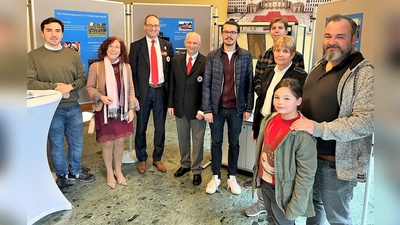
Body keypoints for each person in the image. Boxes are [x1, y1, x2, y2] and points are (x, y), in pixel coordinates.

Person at [290, 14, 374, 225]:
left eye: (340, 36)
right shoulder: (319, 65)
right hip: (308, 160)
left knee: (338, 219)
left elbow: (366, 121)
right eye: (328, 36)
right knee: (313, 212)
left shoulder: (363, 74)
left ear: (354, 38)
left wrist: (319, 128)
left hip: (335, 166)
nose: (332, 41)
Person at [245, 17, 306, 217]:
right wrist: (256, 127)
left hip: (283, 128)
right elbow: (262, 99)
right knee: (261, 163)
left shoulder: (299, 76)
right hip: (264, 123)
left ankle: (279, 205)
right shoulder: (269, 70)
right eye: (277, 51)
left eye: (285, 51)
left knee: (277, 166)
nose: (280, 54)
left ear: (293, 54)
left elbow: (299, 103)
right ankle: (263, 201)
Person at [27, 17, 95, 193]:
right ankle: (62, 176)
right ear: (42, 33)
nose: (53, 34)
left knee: (77, 142)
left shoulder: (72, 54)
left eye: (57, 31)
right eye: (49, 30)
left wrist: (70, 86)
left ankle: (75, 172)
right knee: (56, 144)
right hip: (51, 108)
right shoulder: (33, 56)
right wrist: (57, 88)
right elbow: (29, 83)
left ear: (62, 33)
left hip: (73, 106)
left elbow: (82, 78)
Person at [252, 78, 317, 224]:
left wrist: (297, 204)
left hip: (282, 190)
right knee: (270, 218)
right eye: (277, 97)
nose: (280, 102)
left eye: (287, 98)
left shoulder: (302, 134)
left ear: (298, 101)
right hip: (265, 182)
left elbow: (306, 174)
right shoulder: (270, 119)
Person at [202, 20, 254, 195]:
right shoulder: (213, 55)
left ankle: (232, 177)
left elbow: (249, 84)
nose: (229, 35)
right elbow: (207, 84)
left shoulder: (246, 56)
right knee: (216, 142)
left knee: (234, 143)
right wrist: (207, 109)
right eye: (226, 32)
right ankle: (215, 177)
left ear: (238, 34)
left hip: (236, 109)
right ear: (222, 34)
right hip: (216, 109)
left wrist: (249, 108)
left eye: (233, 32)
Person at [86, 36, 138, 189]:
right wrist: (100, 96)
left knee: (120, 142)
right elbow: (89, 88)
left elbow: (131, 89)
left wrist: (131, 109)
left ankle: (118, 170)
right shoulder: (96, 67)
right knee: (108, 143)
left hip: (122, 111)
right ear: (105, 48)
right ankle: (109, 171)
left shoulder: (126, 67)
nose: (114, 49)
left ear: (121, 51)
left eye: (117, 47)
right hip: (105, 111)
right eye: (111, 46)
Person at [129, 14, 174, 174]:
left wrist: (170, 97)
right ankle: (142, 158)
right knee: (141, 127)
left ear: (159, 27)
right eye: (150, 25)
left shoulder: (167, 45)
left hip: (161, 91)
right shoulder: (136, 46)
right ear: (144, 26)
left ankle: (157, 158)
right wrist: (133, 96)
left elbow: (171, 73)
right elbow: (132, 73)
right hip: (144, 92)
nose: (153, 28)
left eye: (156, 25)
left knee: (160, 128)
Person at [167, 32, 206, 186]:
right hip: (179, 107)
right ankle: (185, 164)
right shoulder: (176, 60)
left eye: (195, 43)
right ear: (185, 43)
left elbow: (207, 88)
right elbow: (172, 84)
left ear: (200, 44)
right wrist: (170, 104)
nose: (191, 45)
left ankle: (196, 170)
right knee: (182, 138)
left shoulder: (205, 61)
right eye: (189, 42)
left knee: (198, 140)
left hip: (197, 110)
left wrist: (203, 109)